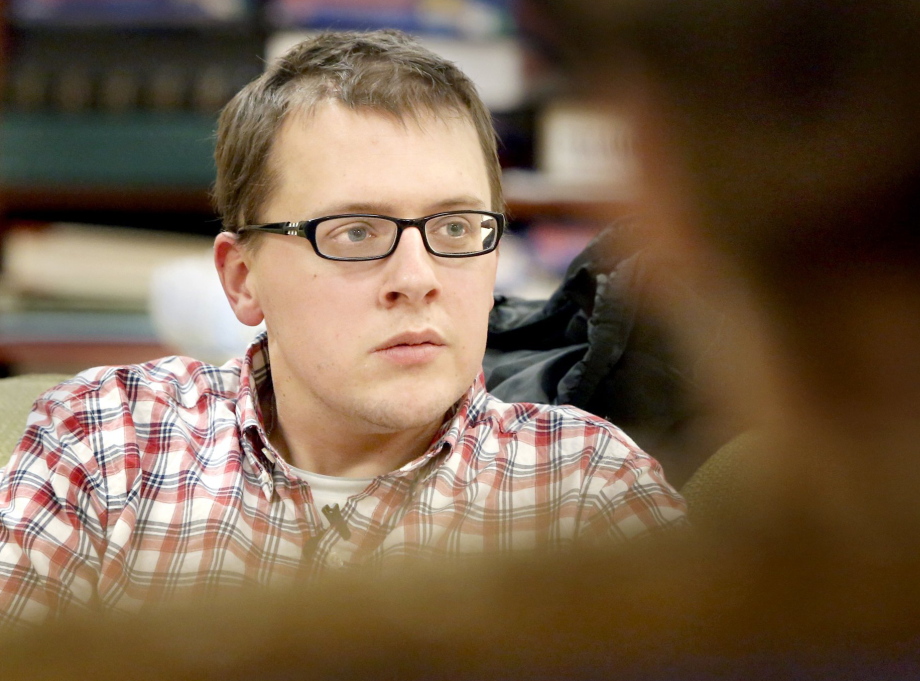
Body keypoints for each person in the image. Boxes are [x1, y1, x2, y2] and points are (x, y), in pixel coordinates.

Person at [0, 29, 685, 627]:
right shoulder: (104, 442)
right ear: (243, 279)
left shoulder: (585, 488)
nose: (417, 276)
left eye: (453, 227)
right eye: (354, 231)